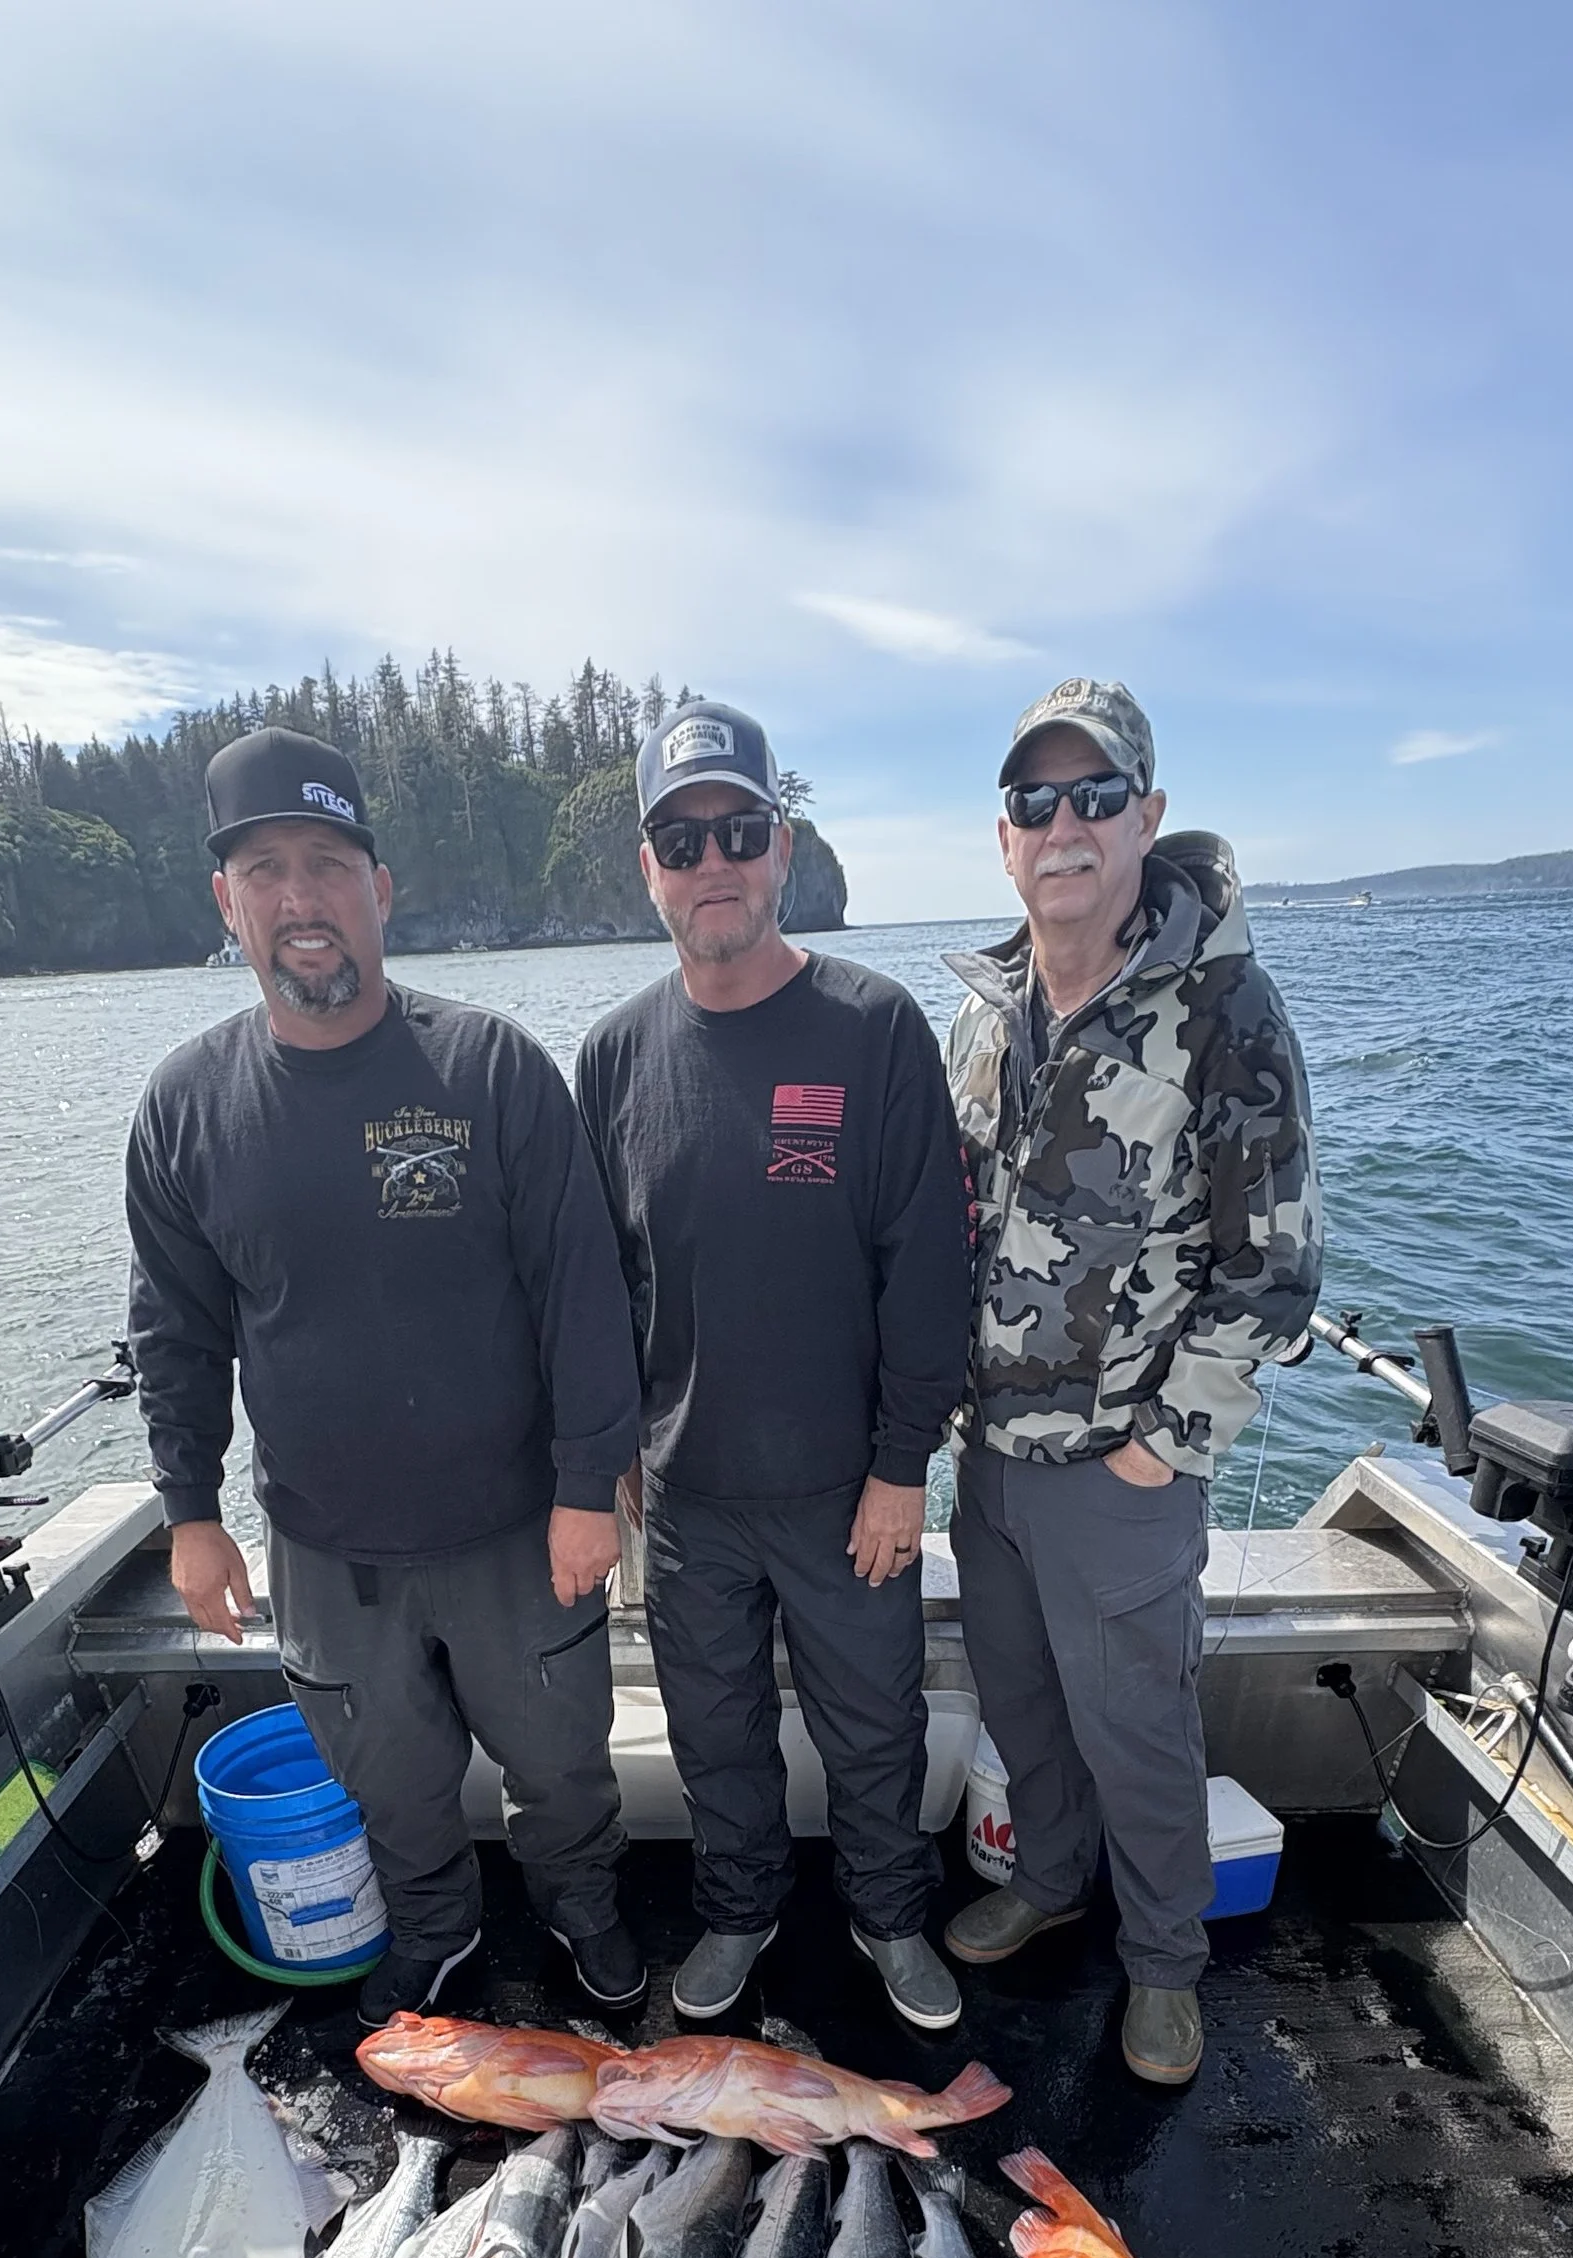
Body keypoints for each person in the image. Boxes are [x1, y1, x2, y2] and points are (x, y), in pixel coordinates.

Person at [124, 726, 644, 2029]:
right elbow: (175, 1330)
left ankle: (584, 1915)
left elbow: (585, 1292)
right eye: (267, 869)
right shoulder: (184, 1107)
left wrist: (592, 1485)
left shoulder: (493, 1069)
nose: (301, 898)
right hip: (323, 1548)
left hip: (517, 1531)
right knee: (391, 1784)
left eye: (327, 863)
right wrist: (190, 1513)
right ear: (225, 903)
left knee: (563, 1764)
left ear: (381, 892)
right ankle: (441, 1933)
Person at [940, 680, 1321, 2084]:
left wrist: (1163, 1445)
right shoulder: (982, 1016)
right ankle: (1048, 1882)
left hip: (1122, 1470)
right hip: (987, 1455)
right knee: (1022, 1708)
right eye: (1036, 803)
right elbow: (941, 1221)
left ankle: (1165, 1961)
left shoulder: (1226, 1008)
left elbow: (1274, 1264)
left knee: (1139, 1733)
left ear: (1147, 818)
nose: (1066, 826)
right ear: (1005, 838)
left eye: (1096, 797)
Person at [576, 699, 972, 2032]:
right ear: (649, 867)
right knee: (715, 1733)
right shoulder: (615, 1054)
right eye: (681, 840)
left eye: (737, 830)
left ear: (782, 846)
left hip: (845, 1489)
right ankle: (739, 1912)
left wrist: (902, 1468)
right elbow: (600, 1280)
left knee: (875, 1728)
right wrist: (608, 1448)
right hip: (685, 1496)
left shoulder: (874, 1028)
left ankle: (892, 1919)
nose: (712, 862)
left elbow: (930, 1267)